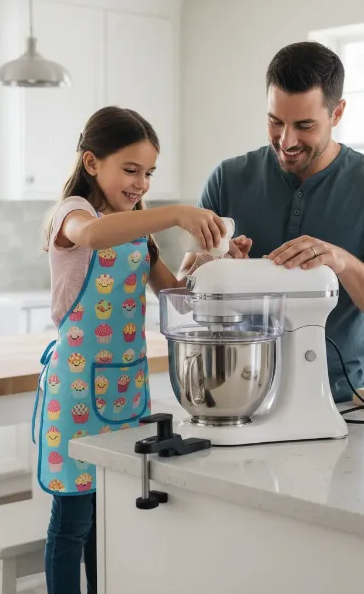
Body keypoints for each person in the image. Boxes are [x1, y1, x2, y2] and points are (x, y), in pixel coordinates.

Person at [32, 105, 231, 594]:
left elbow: (175, 298)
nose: (141, 182)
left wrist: (214, 263)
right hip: (76, 393)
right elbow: (94, 235)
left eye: (149, 173)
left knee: (110, 516)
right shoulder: (73, 215)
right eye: (131, 169)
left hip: (123, 389)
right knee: (75, 517)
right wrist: (178, 212)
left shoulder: (138, 231)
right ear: (92, 161)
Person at [179, 41, 364, 403]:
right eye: (275, 121)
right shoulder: (226, 179)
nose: (286, 140)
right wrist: (213, 271)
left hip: (340, 401)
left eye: (305, 125)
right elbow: (186, 299)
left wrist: (341, 261)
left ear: (337, 113)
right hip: (234, 396)